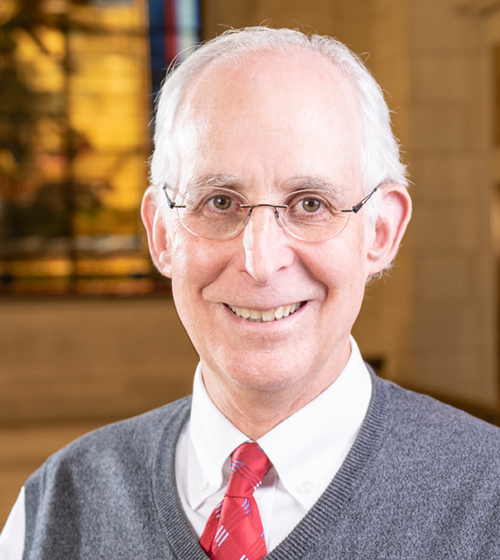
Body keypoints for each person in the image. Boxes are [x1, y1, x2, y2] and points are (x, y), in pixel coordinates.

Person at [1, 26, 500, 560]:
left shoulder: (489, 502)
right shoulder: (55, 508)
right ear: (163, 234)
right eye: (219, 202)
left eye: (310, 204)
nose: (261, 263)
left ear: (380, 232)